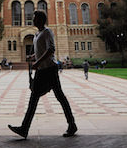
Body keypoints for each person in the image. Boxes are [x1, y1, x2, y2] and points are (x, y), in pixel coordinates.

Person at [8, 10, 76, 139]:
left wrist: (38, 62)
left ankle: (71, 124)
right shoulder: (37, 33)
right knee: (35, 99)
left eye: (34, 18)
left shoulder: (47, 32)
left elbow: (51, 49)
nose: (32, 20)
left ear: (40, 20)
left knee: (59, 97)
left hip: (50, 69)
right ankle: (24, 128)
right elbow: (42, 50)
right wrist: (33, 57)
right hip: (42, 70)